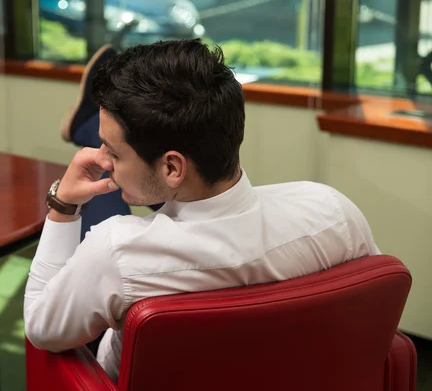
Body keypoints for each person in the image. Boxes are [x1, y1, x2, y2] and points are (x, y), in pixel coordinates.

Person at [24, 39, 380, 382]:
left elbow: (41, 328)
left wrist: (63, 205)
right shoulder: (333, 210)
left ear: (172, 168)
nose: (101, 159)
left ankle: (89, 125)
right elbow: (371, 324)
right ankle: (96, 128)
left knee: (102, 201)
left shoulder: (117, 253)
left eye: (112, 152)